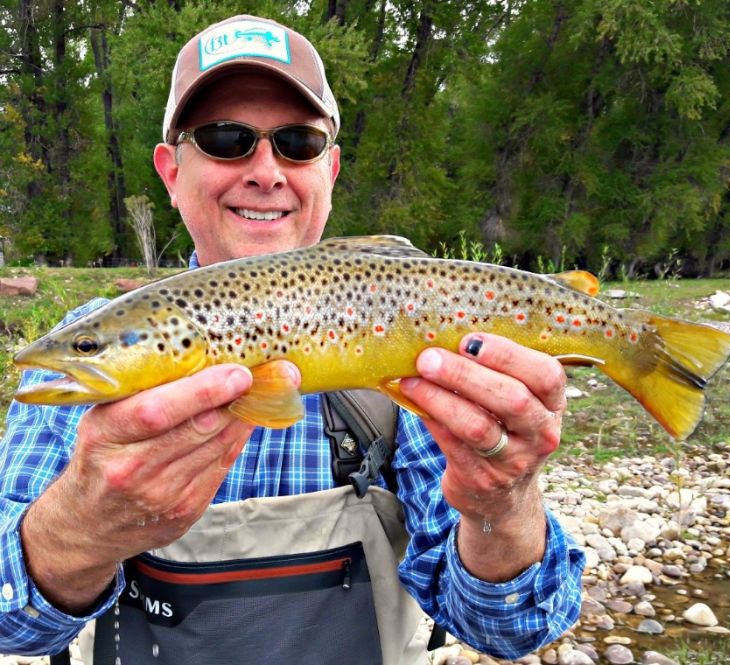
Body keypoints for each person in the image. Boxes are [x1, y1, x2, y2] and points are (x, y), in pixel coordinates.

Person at [0, 14, 584, 665]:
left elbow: (507, 631)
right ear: (170, 170)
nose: (266, 171)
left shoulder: (418, 359)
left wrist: (503, 504)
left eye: (298, 143)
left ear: (329, 170)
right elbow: (8, 628)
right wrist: (76, 530)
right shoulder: (89, 355)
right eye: (226, 139)